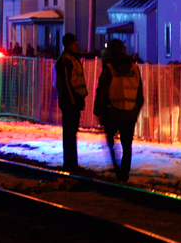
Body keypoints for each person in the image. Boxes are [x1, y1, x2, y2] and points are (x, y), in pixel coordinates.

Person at [94, 39, 144, 182]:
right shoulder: (134, 68)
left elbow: (102, 91)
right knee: (127, 146)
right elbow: (140, 94)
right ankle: (124, 174)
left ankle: (117, 169)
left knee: (110, 142)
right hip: (129, 113)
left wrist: (98, 110)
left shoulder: (109, 68)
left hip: (112, 112)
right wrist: (135, 111)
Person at [55, 32, 87, 171]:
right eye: (74, 44)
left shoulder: (72, 59)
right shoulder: (66, 60)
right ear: (68, 45)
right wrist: (73, 101)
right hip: (70, 102)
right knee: (69, 133)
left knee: (72, 133)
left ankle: (72, 163)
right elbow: (66, 83)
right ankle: (69, 164)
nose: (77, 46)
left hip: (74, 101)